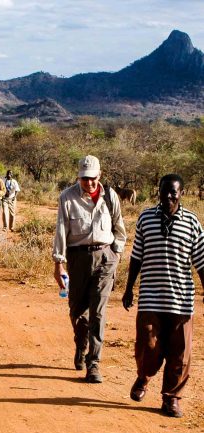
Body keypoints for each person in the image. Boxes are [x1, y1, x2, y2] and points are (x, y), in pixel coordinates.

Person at [122, 174, 204, 418]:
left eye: (173, 192)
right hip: (150, 296)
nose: (168, 196)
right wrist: (129, 288)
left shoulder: (191, 222)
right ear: (158, 191)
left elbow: (201, 261)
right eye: (164, 191)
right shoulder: (146, 218)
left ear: (181, 193)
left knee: (180, 353)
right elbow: (136, 256)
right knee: (148, 345)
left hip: (181, 300)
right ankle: (144, 376)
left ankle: (171, 398)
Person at [53, 155, 126, 383]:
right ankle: (80, 344)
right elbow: (61, 231)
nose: (89, 183)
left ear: (99, 175)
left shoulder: (110, 196)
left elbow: (119, 228)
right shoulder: (67, 197)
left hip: (105, 257)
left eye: (93, 178)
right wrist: (58, 263)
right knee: (78, 311)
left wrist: (116, 254)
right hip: (78, 259)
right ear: (79, 177)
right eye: (84, 179)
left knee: (98, 312)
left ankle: (93, 363)